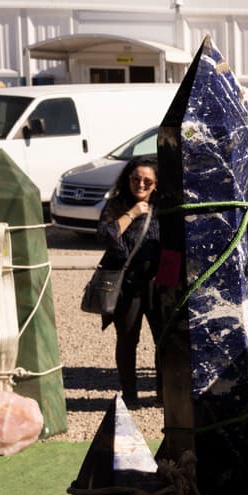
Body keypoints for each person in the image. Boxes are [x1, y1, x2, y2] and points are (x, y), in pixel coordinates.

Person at [96, 155, 161, 406]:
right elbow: (106, 236)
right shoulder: (116, 205)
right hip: (126, 283)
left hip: (157, 282)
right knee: (127, 339)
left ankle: (164, 394)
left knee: (163, 340)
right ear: (127, 179)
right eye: (136, 179)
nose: (141, 185)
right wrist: (132, 213)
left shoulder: (162, 207)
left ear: (156, 184)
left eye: (147, 181)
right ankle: (130, 394)